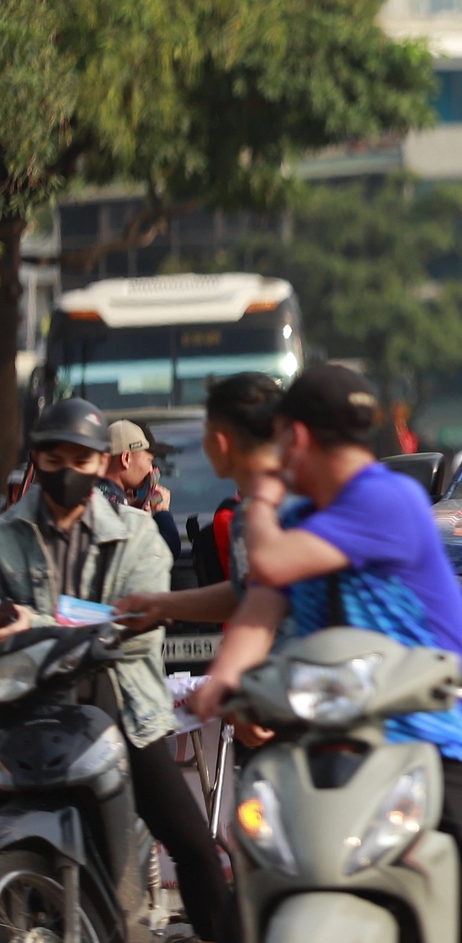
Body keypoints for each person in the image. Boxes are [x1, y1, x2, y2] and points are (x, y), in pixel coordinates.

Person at [190, 366, 462, 943]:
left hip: (434, 737)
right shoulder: (298, 519)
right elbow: (259, 608)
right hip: (323, 740)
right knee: (240, 914)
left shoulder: (386, 500)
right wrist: (223, 679)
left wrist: (263, 492)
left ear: (294, 437)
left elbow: (269, 566)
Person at [0, 398, 239, 943]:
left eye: (79, 459)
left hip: (121, 706)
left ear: (101, 465)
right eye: (53, 458)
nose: (65, 471)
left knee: (194, 846)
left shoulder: (138, 534)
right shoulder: (6, 534)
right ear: (36, 459)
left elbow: (130, 621)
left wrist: (33, 622)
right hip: (24, 707)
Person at [117, 373, 287, 631]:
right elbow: (246, 595)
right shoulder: (253, 509)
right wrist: (158, 605)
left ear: (221, 442)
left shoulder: (272, 510)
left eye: (206, 434)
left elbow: (261, 599)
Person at [108, 418, 182, 559]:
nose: (151, 470)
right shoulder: (116, 507)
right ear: (126, 458)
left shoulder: (100, 496)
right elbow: (165, 553)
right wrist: (162, 512)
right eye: (149, 461)